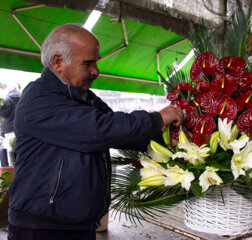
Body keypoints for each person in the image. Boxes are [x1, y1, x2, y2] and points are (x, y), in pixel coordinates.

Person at [8, 23, 184, 240]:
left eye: (96, 62)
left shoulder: (85, 98)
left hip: (79, 224)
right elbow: (99, 129)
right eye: (88, 64)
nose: (96, 71)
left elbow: (121, 134)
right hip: (44, 227)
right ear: (58, 62)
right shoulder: (38, 98)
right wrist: (157, 118)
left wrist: (170, 140)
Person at [0, 83, 21, 167]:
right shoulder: (22, 96)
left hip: (8, 129)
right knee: (17, 151)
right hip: (19, 128)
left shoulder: (8, 98)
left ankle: (9, 172)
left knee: (9, 151)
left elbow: (4, 113)